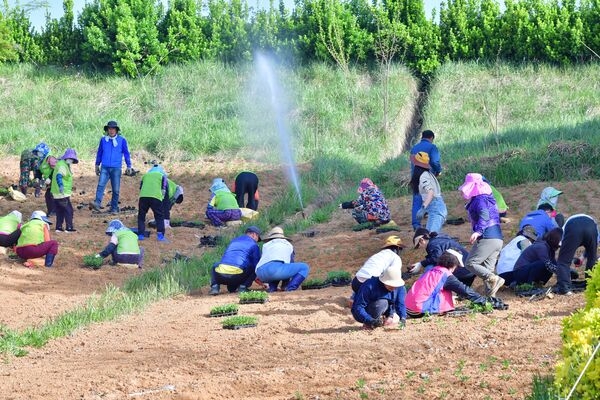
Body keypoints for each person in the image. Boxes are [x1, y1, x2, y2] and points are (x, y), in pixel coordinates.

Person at [459, 173, 505, 297]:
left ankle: (493, 278)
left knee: (471, 263)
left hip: (487, 237)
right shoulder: (487, 198)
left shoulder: (480, 199)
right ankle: (491, 299)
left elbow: (484, 215)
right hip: (497, 239)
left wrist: (478, 231)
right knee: (488, 269)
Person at [406, 249, 488, 317]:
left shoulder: (433, 270)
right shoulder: (446, 275)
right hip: (419, 310)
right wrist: (484, 301)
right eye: (457, 265)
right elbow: (465, 291)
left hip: (408, 307)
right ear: (453, 264)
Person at [410, 228, 476, 287]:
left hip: (463, 271)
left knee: (439, 281)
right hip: (471, 268)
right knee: (463, 294)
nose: (419, 248)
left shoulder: (432, 244)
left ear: (422, 240)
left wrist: (421, 264)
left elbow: (436, 258)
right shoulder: (438, 238)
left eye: (418, 245)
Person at [92, 120, 133, 213]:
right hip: (105, 167)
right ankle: (97, 203)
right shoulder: (103, 140)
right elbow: (100, 152)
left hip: (116, 168)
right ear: (107, 130)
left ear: (116, 130)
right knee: (101, 185)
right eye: (110, 129)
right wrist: (97, 164)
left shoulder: (122, 140)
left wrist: (129, 165)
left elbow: (126, 153)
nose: (111, 130)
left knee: (116, 189)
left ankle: (114, 208)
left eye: (113, 129)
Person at [209, 226, 262, 295]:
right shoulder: (254, 245)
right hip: (238, 274)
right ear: (254, 235)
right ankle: (243, 287)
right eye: (258, 238)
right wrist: (259, 279)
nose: (257, 241)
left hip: (221, 273)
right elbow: (256, 265)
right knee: (252, 267)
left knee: (215, 265)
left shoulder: (234, 241)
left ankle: (215, 287)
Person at [554, 214, 599, 295]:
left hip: (573, 228)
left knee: (563, 261)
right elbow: (593, 246)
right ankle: (591, 285)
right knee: (592, 258)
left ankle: (565, 289)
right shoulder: (593, 223)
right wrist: (583, 257)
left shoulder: (565, 227)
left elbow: (562, 247)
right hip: (591, 227)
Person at [351, 265, 407, 330]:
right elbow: (358, 307)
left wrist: (402, 318)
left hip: (386, 308)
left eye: (395, 285)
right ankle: (369, 324)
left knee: (394, 317)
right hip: (365, 311)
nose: (393, 287)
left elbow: (400, 304)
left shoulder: (399, 287)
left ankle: (382, 319)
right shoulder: (370, 285)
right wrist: (369, 320)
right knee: (382, 303)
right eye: (391, 285)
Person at [255, 227, 310, 292]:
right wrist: (285, 285)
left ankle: (272, 288)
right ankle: (289, 288)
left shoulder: (266, 245)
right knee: (304, 267)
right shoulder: (288, 245)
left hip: (260, 272)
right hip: (275, 271)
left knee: (277, 266)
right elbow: (290, 263)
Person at [410, 129, 442, 230]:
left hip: (415, 175)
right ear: (431, 138)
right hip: (427, 175)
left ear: (422, 137)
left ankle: (416, 224)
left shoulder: (414, 148)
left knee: (417, 198)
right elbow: (435, 162)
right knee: (431, 196)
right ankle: (432, 221)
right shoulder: (432, 147)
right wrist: (438, 171)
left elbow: (412, 162)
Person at [410, 151, 447, 233]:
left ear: (416, 165)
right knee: (430, 234)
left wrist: (423, 207)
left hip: (436, 208)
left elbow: (431, 192)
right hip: (436, 208)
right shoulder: (428, 174)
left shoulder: (423, 176)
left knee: (431, 235)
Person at [137, 164, 169, 242]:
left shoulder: (145, 176)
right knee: (159, 216)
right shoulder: (162, 176)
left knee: (141, 216)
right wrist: (161, 198)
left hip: (143, 197)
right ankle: (160, 236)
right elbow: (164, 189)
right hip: (156, 197)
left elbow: (141, 187)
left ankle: (141, 235)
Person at [51, 148, 78, 233]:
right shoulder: (63, 166)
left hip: (56, 193)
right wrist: (61, 186)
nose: (71, 160)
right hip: (62, 193)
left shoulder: (61, 164)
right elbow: (59, 176)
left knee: (60, 211)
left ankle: (58, 227)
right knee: (68, 210)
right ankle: (69, 227)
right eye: (70, 159)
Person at [35, 143, 57, 216]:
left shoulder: (50, 158)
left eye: (40, 152)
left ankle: (54, 211)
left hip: (56, 178)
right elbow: (38, 170)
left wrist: (50, 178)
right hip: (49, 180)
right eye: (38, 152)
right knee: (48, 195)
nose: (39, 154)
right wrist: (38, 178)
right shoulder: (40, 160)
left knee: (51, 194)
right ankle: (51, 211)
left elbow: (57, 169)